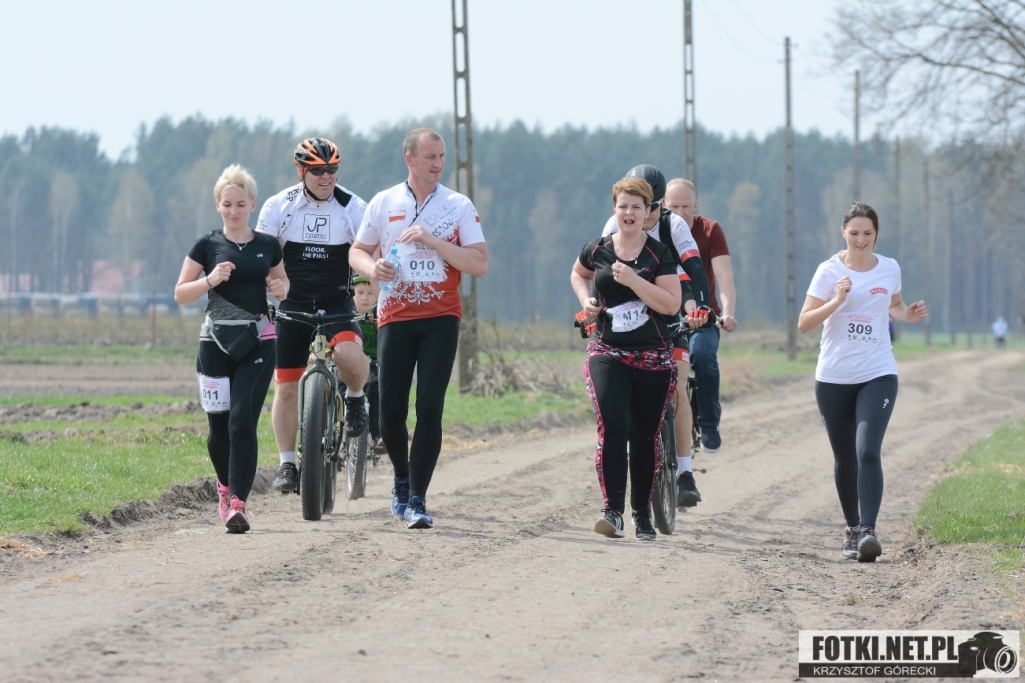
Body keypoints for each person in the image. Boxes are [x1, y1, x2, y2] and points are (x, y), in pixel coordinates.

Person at [349, 127, 488, 529]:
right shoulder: (384, 201)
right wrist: (373, 267)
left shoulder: (457, 205)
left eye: (442, 156)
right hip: (395, 316)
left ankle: (418, 499)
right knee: (390, 414)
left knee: (429, 409)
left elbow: (479, 263)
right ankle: (401, 478)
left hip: (441, 318)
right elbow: (357, 252)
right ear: (410, 159)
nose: (439, 164)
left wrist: (435, 242)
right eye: (431, 157)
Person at [798, 202, 927, 562]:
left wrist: (907, 315)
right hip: (833, 376)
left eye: (867, 233)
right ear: (843, 232)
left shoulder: (889, 268)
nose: (860, 239)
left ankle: (869, 531)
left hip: (878, 372)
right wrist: (837, 299)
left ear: (876, 234)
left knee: (867, 450)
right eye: (854, 233)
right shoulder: (828, 271)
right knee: (845, 457)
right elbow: (804, 323)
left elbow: (894, 305)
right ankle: (852, 529)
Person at [173, 164, 287, 533]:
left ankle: (238, 503)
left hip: (258, 340)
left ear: (252, 204)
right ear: (218, 206)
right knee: (219, 431)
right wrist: (210, 279)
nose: (234, 211)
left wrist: (281, 288)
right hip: (215, 343)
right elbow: (180, 294)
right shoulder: (206, 245)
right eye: (227, 204)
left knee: (242, 421)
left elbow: (282, 281)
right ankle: (224, 489)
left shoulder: (267, 245)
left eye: (240, 204)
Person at [256, 137, 370, 493]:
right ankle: (287, 463)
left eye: (332, 169)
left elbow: (372, 252)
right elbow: (261, 256)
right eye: (318, 171)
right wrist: (268, 285)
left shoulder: (353, 206)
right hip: (293, 306)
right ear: (301, 171)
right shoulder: (279, 205)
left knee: (349, 355)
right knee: (286, 386)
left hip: (337, 304)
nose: (327, 177)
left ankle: (355, 398)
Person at [572, 176, 682, 540]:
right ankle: (613, 512)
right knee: (613, 427)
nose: (629, 213)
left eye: (637, 207)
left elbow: (671, 304)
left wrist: (635, 281)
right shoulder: (598, 249)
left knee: (644, 436)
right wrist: (586, 301)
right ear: (614, 210)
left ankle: (642, 514)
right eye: (623, 206)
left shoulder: (659, 254)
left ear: (648, 212)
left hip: (652, 356)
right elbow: (578, 273)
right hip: (607, 350)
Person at [601, 165, 712, 508]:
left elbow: (694, 268)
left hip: (668, 311)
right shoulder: (613, 225)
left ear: (658, 205)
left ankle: (685, 473)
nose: (643, 214)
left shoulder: (673, 225)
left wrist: (701, 308)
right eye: (635, 205)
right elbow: (598, 273)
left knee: (677, 388)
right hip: (630, 319)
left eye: (650, 206)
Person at [664, 178, 738, 456]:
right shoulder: (656, 229)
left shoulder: (710, 230)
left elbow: (724, 276)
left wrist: (728, 312)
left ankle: (708, 423)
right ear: (663, 206)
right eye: (674, 207)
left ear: (695, 206)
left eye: (686, 207)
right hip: (665, 314)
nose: (680, 213)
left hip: (704, 316)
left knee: (703, 356)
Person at [352, 275, 382, 449]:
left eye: (370, 293)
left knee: (376, 388)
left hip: (372, 364)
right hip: (348, 365)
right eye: (360, 292)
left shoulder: (381, 316)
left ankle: (377, 435)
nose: (365, 298)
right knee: (340, 390)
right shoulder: (345, 316)